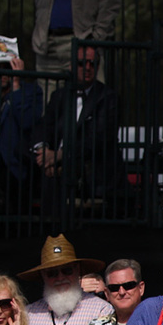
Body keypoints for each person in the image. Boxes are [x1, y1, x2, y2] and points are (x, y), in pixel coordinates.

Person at [36, 44, 120, 219]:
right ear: (72, 66)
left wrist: (59, 156)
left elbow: (97, 140)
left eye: (92, 63)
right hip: (54, 166)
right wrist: (43, 151)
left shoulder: (107, 97)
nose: (88, 68)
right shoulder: (60, 95)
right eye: (82, 63)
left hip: (88, 169)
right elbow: (45, 126)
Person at [0, 54, 44, 216]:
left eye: (8, 69)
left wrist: (16, 84)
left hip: (18, 169)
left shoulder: (31, 92)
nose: (2, 74)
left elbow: (27, 121)